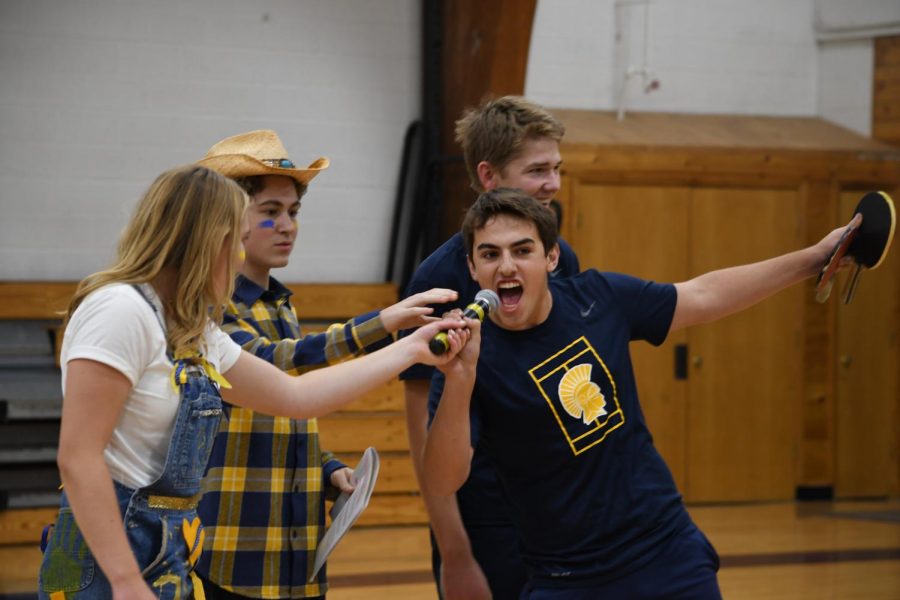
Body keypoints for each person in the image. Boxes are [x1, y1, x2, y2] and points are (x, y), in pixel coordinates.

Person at [37, 164, 470, 600]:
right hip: (107, 553)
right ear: (206, 241)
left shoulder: (193, 330)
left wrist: (411, 348)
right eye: (238, 240)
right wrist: (127, 581)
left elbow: (297, 396)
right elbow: (78, 458)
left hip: (169, 550)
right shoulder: (119, 309)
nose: (241, 256)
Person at [423, 188, 849, 599]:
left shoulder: (599, 296)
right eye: (490, 254)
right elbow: (444, 479)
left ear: (551, 257)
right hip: (565, 576)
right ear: (472, 268)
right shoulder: (466, 359)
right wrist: (460, 381)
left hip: (664, 550)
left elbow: (703, 295)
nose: (507, 267)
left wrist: (815, 258)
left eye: (522, 250)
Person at [192, 130, 456, 599]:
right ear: (225, 221)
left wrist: (327, 468)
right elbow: (273, 368)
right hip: (237, 557)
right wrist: (384, 322)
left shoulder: (280, 306)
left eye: (293, 212)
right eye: (270, 213)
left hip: (297, 558)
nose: (288, 225)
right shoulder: (209, 307)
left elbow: (281, 418)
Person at [401, 96, 580, 599]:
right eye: (538, 170)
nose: (554, 184)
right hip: (486, 519)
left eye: (557, 169)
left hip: (557, 508)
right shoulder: (437, 278)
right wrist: (456, 554)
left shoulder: (563, 259)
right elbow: (420, 426)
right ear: (488, 175)